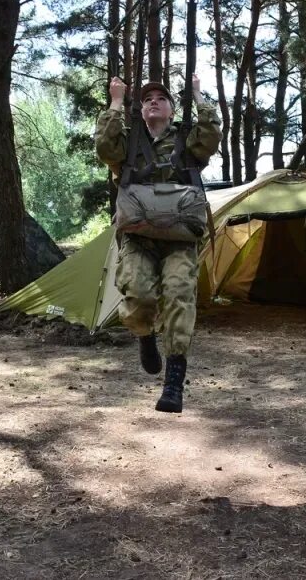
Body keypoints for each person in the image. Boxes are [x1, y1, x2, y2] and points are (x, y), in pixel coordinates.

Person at [94, 75, 221, 413]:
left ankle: (173, 383)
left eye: (161, 98)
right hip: (138, 237)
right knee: (138, 296)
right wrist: (117, 103)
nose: (153, 101)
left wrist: (197, 93)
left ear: (171, 109)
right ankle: (144, 336)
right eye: (147, 98)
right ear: (141, 108)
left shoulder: (186, 140)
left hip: (180, 238)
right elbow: (104, 148)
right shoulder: (128, 142)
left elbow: (210, 136)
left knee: (179, 295)